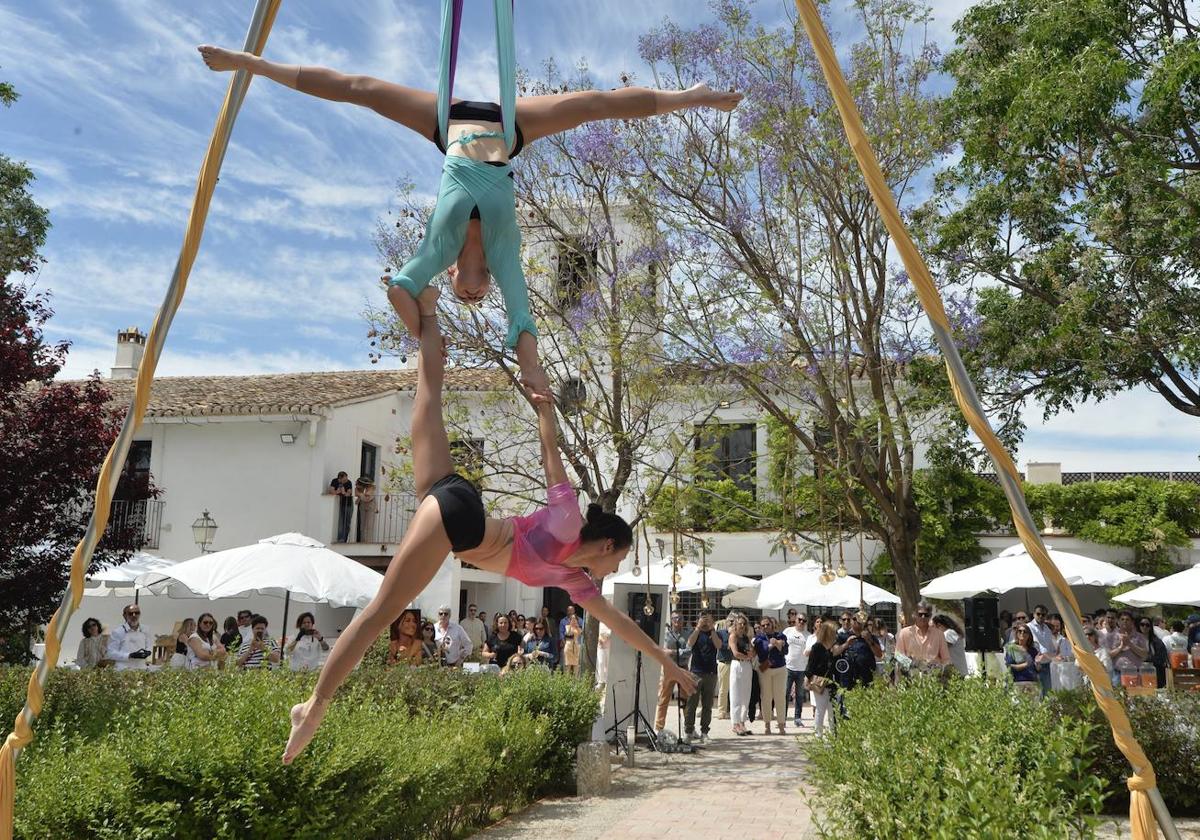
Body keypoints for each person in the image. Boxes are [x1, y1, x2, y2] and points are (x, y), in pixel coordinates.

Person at [197, 45, 741, 404]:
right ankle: (693, 97)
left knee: (359, 88)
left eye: (466, 293)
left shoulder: (438, 251)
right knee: (593, 105)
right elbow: (525, 328)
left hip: (448, 123)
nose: (478, 292)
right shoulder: (506, 257)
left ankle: (250, 63)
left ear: (454, 275)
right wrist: (537, 382)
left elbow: (399, 288)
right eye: (481, 298)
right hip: (510, 129)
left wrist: (425, 328)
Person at [280, 292, 694, 764]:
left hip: (452, 498)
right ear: (606, 543)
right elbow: (550, 454)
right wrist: (542, 401)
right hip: (462, 525)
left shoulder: (574, 581)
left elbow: (621, 626)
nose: (615, 567)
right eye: (618, 558)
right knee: (379, 613)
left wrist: (665, 661)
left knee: (428, 394)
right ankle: (314, 708)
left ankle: (430, 311)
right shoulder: (567, 523)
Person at [683, 611, 722, 744]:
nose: (705, 622)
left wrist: (711, 629)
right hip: (696, 672)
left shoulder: (715, 633)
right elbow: (689, 643)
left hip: (711, 673)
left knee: (707, 705)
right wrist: (698, 628)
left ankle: (704, 732)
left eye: (708, 619)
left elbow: (719, 646)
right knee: (691, 703)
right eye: (703, 619)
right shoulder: (695, 632)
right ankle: (689, 731)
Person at [656, 611, 691, 736]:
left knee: (685, 698)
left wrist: (672, 652)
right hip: (669, 668)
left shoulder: (687, 633)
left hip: (683, 667)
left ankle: (688, 728)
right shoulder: (666, 635)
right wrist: (672, 652)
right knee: (664, 697)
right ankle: (659, 727)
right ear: (671, 620)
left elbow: (688, 651)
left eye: (680, 618)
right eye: (675, 618)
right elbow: (662, 651)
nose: (678, 620)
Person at [753, 616, 789, 735]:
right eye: (762, 625)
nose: (765, 627)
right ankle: (767, 724)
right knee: (766, 697)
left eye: (767, 624)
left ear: (772, 625)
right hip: (766, 669)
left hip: (780, 669)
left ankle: (781, 724)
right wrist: (773, 644)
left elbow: (785, 651)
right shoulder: (759, 638)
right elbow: (762, 652)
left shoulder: (781, 636)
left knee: (780, 698)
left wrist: (779, 643)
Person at [895, 600, 949, 674]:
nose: (923, 617)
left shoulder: (939, 634)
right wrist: (913, 665)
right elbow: (898, 656)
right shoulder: (905, 633)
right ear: (914, 615)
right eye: (920, 614)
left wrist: (940, 671)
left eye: (926, 615)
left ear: (930, 616)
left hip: (933, 679)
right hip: (911, 678)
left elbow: (946, 659)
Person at [805, 620, 838, 737]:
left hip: (832, 683)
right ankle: (818, 735)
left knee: (832, 711)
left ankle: (833, 735)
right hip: (820, 683)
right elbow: (811, 665)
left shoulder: (831, 648)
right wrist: (808, 679)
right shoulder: (817, 647)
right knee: (820, 710)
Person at [728, 613, 756, 736]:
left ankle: (742, 722)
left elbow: (752, 650)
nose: (742, 626)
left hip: (747, 666)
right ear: (736, 624)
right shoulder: (733, 636)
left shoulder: (746, 637)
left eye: (744, 624)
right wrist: (747, 656)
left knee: (746, 694)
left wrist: (751, 654)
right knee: (736, 695)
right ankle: (735, 723)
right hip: (737, 665)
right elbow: (735, 653)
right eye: (740, 623)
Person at [107, 604, 153, 671]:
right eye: (131, 613)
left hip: (141, 669)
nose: (134, 616)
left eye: (137, 613)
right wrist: (129, 655)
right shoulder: (118, 632)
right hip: (123, 670)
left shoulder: (145, 629)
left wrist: (148, 652)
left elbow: (149, 645)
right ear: (124, 615)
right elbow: (111, 653)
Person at [783, 613, 810, 727]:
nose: (801, 622)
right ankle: (782, 718)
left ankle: (797, 718)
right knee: (785, 694)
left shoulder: (808, 636)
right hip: (788, 667)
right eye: (800, 620)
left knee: (799, 695)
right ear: (795, 620)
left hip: (801, 669)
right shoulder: (788, 631)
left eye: (804, 621)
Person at [1110, 610, 1149, 683]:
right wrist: (1120, 648)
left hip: (1135, 673)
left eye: (1127, 619)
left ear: (1132, 622)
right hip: (1118, 674)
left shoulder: (1139, 637)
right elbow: (1108, 655)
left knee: (1136, 694)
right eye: (1122, 619)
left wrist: (1130, 644)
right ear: (1118, 622)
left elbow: (1144, 655)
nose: (1125, 621)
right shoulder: (1111, 636)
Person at [1006, 625, 1040, 697]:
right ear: (1016, 634)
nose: (1022, 633)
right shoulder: (1012, 648)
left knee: (1033, 707)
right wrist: (1026, 664)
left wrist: (1037, 664)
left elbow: (1038, 669)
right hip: (1018, 683)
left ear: (1029, 635)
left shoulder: (1033, 650)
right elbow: (1010, 666)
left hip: (1032, 683)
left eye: (1025, 632)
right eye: (1020, 631)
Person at [1139, 616, 1168, 688]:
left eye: (1147, 625)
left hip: (1155, 674)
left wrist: (1148, 658)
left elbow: (1161, 658)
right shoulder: (1134, 640)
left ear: (1150, 627)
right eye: (1142, 624)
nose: (1144, 627)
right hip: (1138, 674)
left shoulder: (1156, 642)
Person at [715, 612, 734, 720]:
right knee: (723, 689)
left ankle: (732, 710)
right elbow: (720, 646)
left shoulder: (737, 633)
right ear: (725, 622)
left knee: (734, 689)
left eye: (733, 621)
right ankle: (722, 711)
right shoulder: (720, 633)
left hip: (735, 663)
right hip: (724, 663)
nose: (731, 623)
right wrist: (731, 646)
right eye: (729, 621)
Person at [329, 470, 355, 542]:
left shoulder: (348, 482)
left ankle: (344, 539)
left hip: (348, 504)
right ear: (339, 479)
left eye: (346, 479)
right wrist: (338, 491)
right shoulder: (334, 481)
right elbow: (331, 491)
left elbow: (349, 494)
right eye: (344, 480)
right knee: (340, 522)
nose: (346, 481)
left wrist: (343, 492)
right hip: (339, 504)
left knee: (347, 522)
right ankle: (340, 538)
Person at [355, 476, 378, 543]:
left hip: (371, 505)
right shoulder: (357, 488)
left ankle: (368, 541)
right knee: (362, 525)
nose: (356, 485)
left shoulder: (371, 487)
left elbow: (368, 497)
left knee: (369, 525)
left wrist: (361, 495)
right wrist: (363, 495)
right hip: (362, 505)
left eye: (357, 484)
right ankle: (363, 540)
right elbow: (357, 494)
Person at [562, 611, 583, 676]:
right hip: (568, 647)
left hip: (576, 647)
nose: (574, 620)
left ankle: (575, 680)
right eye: (572, 619)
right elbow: (567, 634)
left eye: (575, 619)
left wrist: (577, 626)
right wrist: (571, 626)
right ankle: (566, 680)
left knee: (576, 665)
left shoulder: (578, 628)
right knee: (568, 665)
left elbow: (581, 633)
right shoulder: (567, 627)